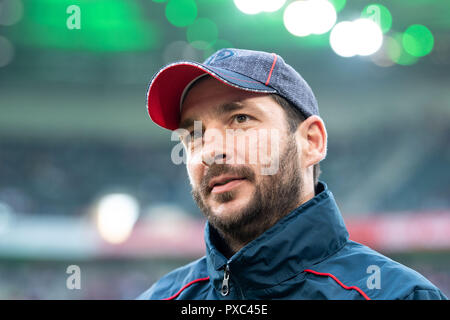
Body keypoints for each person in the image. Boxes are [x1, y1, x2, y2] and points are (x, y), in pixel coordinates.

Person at [138, 48, 447, 300]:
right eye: (194, 135)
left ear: (311, 142)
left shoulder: (400, 296)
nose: (210, 151)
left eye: (240, 118)